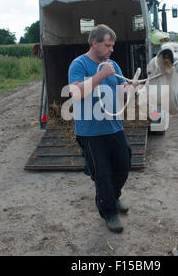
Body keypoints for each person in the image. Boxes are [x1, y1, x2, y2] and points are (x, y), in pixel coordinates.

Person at [68, 24, 132, 233]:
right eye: (107, 45)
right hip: (90, 132)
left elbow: (121, 91)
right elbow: (76, 93)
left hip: (114, 127)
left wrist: (131, 88)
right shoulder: (79, 64)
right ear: (94, 43)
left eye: (112, 45)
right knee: (102, 174)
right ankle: (109, 212)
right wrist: (101, 76)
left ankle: (113, 197)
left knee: (123, 165)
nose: (111, 49)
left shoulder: (112, 65)